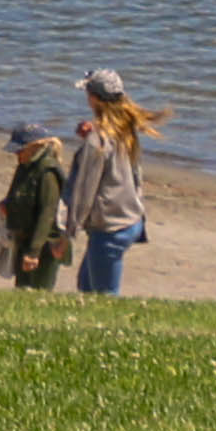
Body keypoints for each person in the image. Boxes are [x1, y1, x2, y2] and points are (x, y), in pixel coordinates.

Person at [64, 68, 161, 294]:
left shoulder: (97, 141)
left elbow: (84, 191)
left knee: (103, 296)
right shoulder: (125, 129)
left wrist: (69, 232)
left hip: (110, 227)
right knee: (85, 285)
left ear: (95, 98)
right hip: (132, 219)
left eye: (88, 94)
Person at [0, 122, 72, 290]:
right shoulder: (25, 166)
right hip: (24, 238)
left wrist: (33, 252)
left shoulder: (48, 172)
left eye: (20, 150)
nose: (17, 154)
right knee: (22, 289)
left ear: (34, 147)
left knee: (38, 292)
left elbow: (48, 213)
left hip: (46, 244)